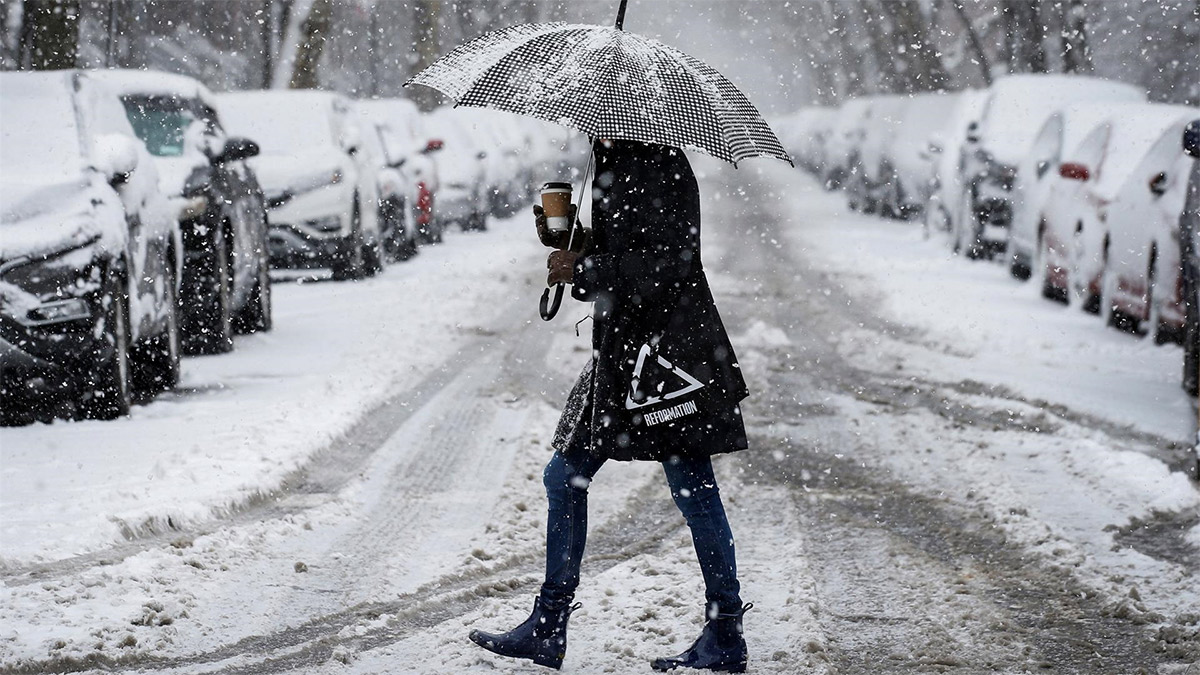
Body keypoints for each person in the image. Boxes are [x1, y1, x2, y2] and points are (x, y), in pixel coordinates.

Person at [468, 139, 752, 672]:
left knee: (692, 490)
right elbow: (633, 247)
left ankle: (724, 631)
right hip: (626, 351)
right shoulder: (618, 158)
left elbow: (667, 262)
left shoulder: (654, 160)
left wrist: (586, 268)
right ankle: (550, 626)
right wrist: (572, 239)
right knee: (566, 475)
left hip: (666, 359)